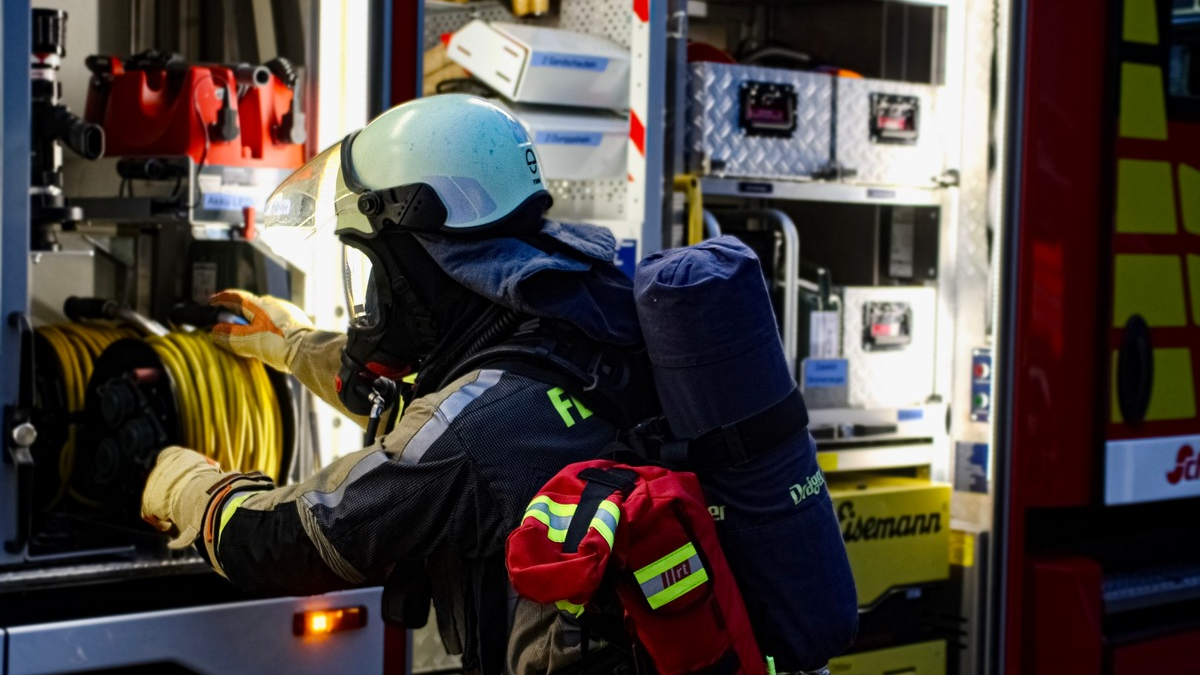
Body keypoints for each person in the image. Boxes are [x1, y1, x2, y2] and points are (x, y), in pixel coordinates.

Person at [140, 94, 658, 675]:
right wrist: (295, 348)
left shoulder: (479, 428)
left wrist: (195, 494)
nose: (374, 289)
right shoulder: (586, 315)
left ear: (416, 259)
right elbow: (428, 400)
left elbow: (300, 541)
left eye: (375, 263)